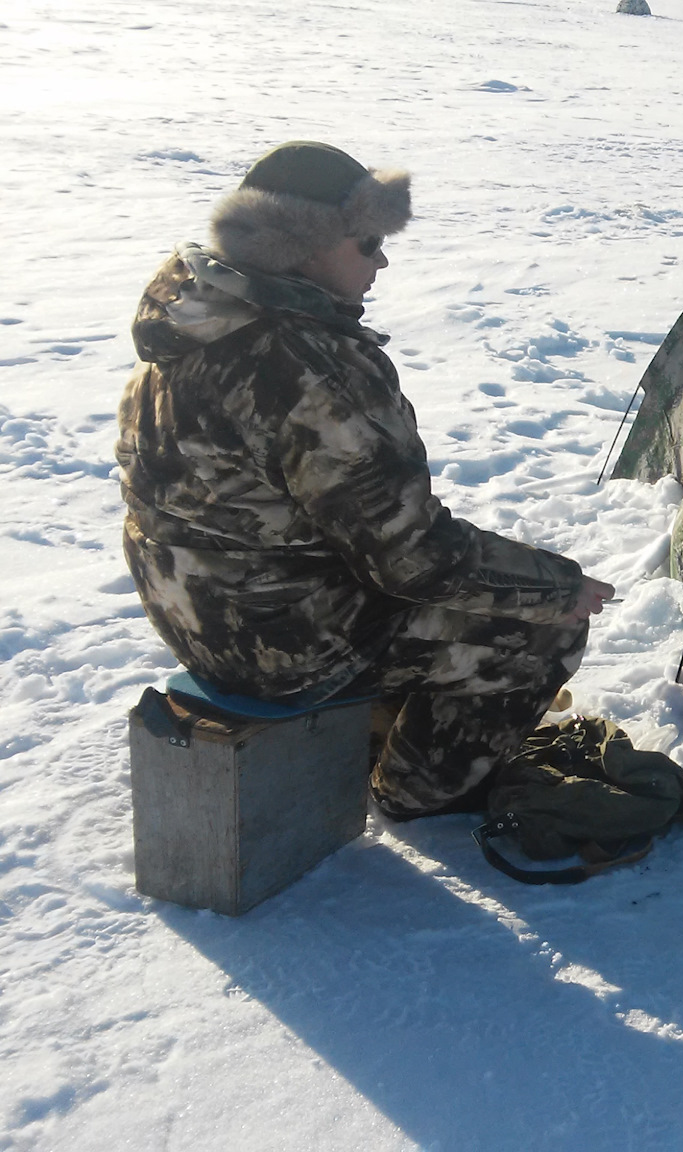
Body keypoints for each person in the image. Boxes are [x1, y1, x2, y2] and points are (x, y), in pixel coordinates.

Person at [116, 141, 615, 820]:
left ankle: (383, 722)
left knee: (439, 589)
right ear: (303, 247)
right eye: (368, 242)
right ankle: (417, 790)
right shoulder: (309, 367)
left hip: (192, 610)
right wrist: (558, 587)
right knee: (542, 631)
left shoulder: (196, 320)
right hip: (280, 644)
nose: (382, 259)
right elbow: (412, 557)